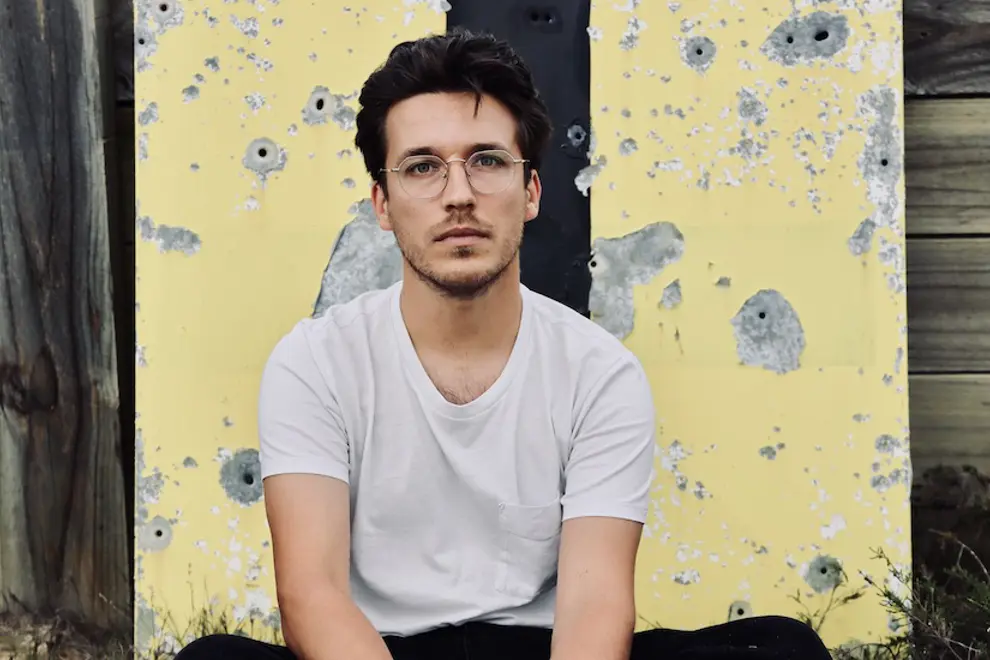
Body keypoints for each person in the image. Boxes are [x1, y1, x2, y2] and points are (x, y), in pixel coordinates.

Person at [175, 28, 832, 660]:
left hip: (543, 647)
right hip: (376, 648)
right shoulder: (316, 362)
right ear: (382, 203)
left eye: (487, 161)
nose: (458, 195)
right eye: (423, 167)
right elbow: (312, 596)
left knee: (782, 648)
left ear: (531, 191)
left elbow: (595, 604)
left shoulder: (599, 372)